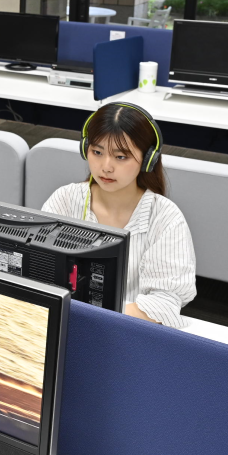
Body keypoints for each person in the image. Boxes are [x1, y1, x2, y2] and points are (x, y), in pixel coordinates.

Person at [41, 102, 196, 328]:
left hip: (129, 331)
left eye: (120, 157)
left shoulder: (164, 217)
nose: (106, 166)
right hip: (65, 323)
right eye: (97, 152)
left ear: (147, 159)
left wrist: (97, 316)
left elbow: (165, 302)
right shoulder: (65, 199)